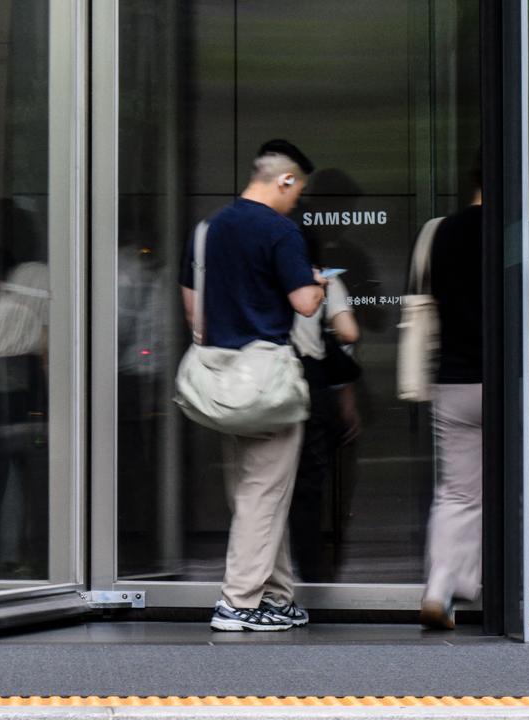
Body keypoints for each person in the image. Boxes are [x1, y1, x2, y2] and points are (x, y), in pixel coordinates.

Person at [418, 171, 529, 630]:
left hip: (456, 383)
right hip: (526, 381)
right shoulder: (527, 233)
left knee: (457, 493)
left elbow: (435, 305)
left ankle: (441, 588)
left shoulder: (445, 232)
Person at [180, 139, 327, 632]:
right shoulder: (279, 231)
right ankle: (238, 602)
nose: (296, 201)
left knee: (258, 492)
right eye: (297, 191)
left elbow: (191, 309)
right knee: (263, 494)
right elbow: (305, 304)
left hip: (223, 381)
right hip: (266, 383)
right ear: (284, 180)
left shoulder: (208, 230)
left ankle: (276, 597)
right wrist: (318, 282)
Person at [289, 244, 361, 582]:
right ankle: (311, 568)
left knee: (268, 481)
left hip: (268, 383)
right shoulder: (324, 279)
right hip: (313, 384)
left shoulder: (266, 275)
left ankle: (275, 568)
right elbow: (348, 333)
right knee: (311, 482)